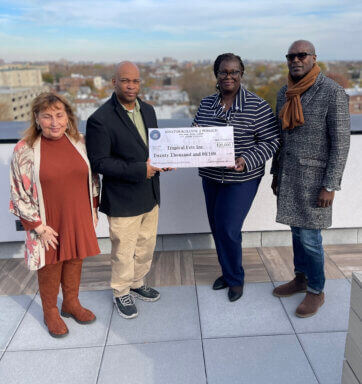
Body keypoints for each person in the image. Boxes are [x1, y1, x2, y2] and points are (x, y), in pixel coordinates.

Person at [9, 92, 100, 338]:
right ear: (36, 119)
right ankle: (50, 311)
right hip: (46, 222)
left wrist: (93, 209)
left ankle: (71, 303)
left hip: (78, 214)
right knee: (51, 264)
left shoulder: (80, 142)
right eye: (47, 116)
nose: (54, 122)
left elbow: (91, 177)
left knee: (75, 258)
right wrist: (37, 226)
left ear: (68, 117)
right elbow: (18, 192)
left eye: (59, 115)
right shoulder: (24, 150)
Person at [271, 40, 350, 317]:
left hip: (316, 181)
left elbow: (341, 143)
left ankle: (316, 290)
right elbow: (282, 137)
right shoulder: (285, 93)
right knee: (296, 231)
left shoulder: (331, 92)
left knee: (310, 237)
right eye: (291, 56)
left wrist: (330, 185)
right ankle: (301, 278)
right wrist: (276, 174)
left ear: (314, 58)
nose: (295, 59)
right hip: (289, 176)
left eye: (301, 55)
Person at [193, 53, 280, 302]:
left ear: (241, 75)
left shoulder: (257, 105)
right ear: (216, 75)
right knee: (217, 227)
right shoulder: (206, 104)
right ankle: (228, 272)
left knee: (229, 228)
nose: (228, 76)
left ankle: (236, 279)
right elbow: (195, 132)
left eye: (234, 72)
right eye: (223, 72)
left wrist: (246, 159)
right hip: (211, 176)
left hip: (242, 178)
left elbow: (272, 141)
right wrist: (192, 138)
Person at [86, 61, 164, 319]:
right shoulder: (100, 119)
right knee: (123, 250)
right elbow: (100, 162)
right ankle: (121, 292)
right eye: (125, 81)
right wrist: (140, 169)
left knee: (145, 245)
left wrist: (165, 161)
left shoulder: (149, 110)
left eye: (136, 81)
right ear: (114, 82)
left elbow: (154, 149)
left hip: (150, 194)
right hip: (123, 199)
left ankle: (137, 283)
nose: (131, 86)